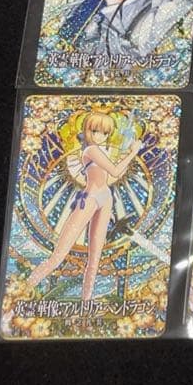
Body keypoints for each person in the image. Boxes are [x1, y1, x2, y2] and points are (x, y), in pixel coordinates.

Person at [27, 112, 142, 300]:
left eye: (105, 133)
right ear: (88, 131)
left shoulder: (103, 150)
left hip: (105, 197)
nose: (100, 136)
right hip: (89, 198)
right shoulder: (91, 150)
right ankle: (24, 289)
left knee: (95, 259)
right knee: (58, 256)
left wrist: (127, 153)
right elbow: (115, 170)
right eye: (95, 131)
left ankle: (85, 303)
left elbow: (111, 176)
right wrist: (132, 153)